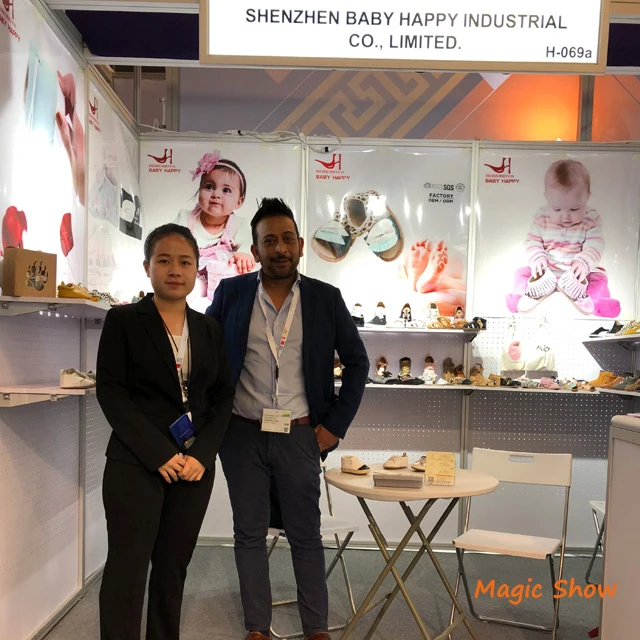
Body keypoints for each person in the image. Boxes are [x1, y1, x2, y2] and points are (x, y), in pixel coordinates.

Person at [207, 198, 369, 640]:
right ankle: (257, 629)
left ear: (299, 244)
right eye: (268, 241)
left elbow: (358, 363)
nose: (278, 248)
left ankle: (316, 628)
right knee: (248, 534)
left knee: (305, 534)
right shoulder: (231, 294)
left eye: (285, 240)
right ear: (255, 249)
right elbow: (205, 356)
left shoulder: (325, 299)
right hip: (241, 435)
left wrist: (334, 426)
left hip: (301, 435)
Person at [96, 223, 235, 640]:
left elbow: (223, 396)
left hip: (193, 467)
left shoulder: (209, 328)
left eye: (185, 262)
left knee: (173, 568)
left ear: (196, 270)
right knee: (127, 568)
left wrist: (202, 455)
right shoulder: (123, 320)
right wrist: (158, 453)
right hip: (135, 463)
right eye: (164, 260)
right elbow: (111, 392)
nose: (175, 270)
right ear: (147, 267)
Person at [506, 159, 620, 316]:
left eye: (574, 209)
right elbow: (532, 241)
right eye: (557, 209)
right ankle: (520, 296)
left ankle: (599, 303)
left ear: (587, 197)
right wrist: (537, 257)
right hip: (546, 273)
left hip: (579, 275)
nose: (565, 216)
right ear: (547, 197)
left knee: (599, 278)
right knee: (521, 273)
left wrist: (583, 262)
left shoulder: (591, 218)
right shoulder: (542, 216)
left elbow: (595, 246)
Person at [174, 151, 255, 308]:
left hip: (221, 283)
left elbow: (249, 243)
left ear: (239, 202)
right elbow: (167, 239)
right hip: (192, 279)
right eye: (209, 187)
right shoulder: (186, 219)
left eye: (226, 190)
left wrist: (244, 253)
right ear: (199, 191)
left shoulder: (238, 224)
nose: (216, 194)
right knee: (190, 293)